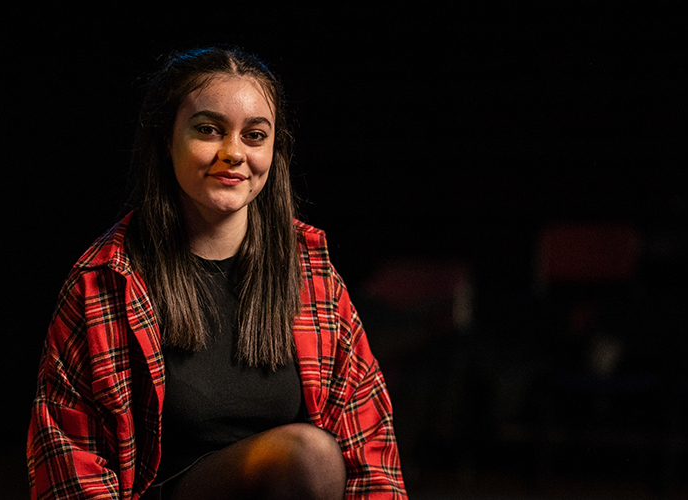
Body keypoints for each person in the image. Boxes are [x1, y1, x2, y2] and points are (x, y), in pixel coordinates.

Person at [26, 47, 407, 499]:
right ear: (167, 141)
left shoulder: (311, 273)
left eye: (254, 135)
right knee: (308, 454)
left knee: (313, 458)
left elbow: (370, 450)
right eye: (208, 130)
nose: (233, 153)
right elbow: (71, 459)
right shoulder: (107, 279)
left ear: (274, 150)